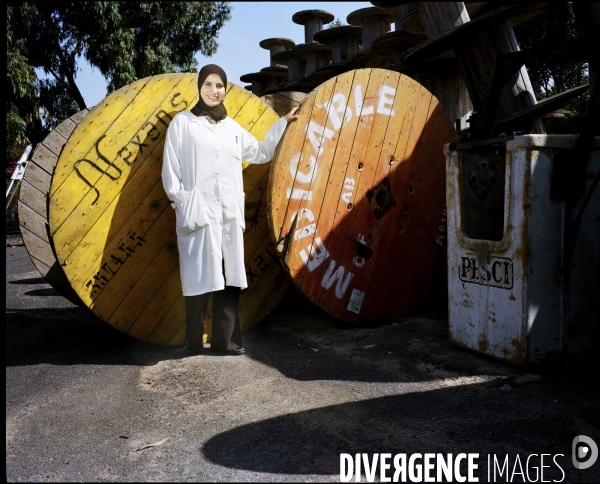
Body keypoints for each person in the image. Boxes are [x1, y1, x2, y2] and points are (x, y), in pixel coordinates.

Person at [161, 64, 298, 356]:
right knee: (199, 278)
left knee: (228, 277)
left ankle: (227, 341)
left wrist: (283, 123)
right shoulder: (182, 124)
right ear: (199, 87)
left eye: (219, 85)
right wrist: (183, 201)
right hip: (198, 212)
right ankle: (194, 341)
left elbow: (260, 152)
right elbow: (171, 171)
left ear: (225, 89)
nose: (214, 91)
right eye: (208, 84)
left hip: (228, 214)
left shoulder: (231, 128)